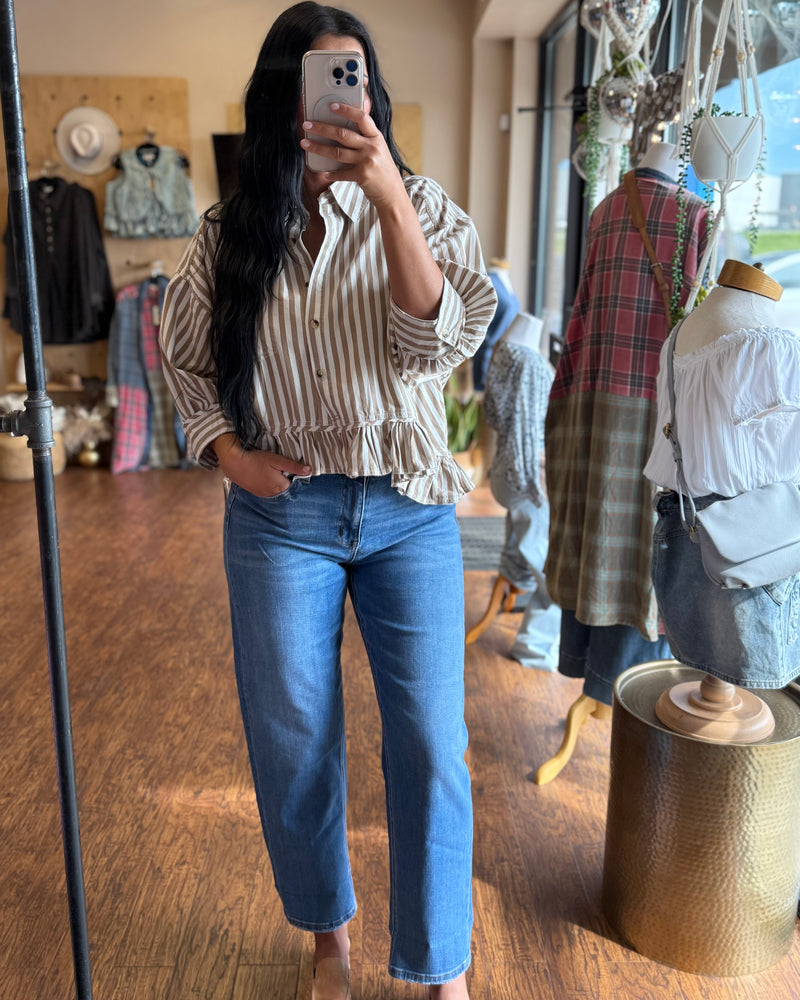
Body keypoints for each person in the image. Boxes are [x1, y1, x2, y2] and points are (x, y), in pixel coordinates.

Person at [159, 4, 497, 999]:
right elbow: (185, 362)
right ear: (284, 100)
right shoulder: (229, 231)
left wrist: (388, 199)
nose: (339, 99)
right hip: (282, 517)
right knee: (293, 739)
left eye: (353, 78)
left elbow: (435, 347)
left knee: (430, 743)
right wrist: (230, 456)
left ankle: (440, 967)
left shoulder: (421, 205)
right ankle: (327, 940)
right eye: (318, 80)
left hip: (408, 507)